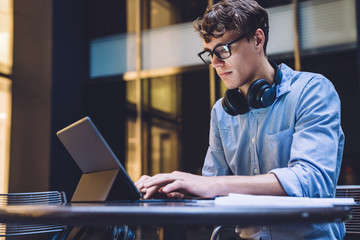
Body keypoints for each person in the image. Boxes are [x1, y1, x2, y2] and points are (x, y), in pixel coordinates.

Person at [135, 0, 345, 239]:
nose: (215, 63)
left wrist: (207, 185)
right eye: (210, 54)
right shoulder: (221, 112)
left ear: (257, 39)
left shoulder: (312, 91)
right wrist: (175, 189)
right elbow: (211, 187)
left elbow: (310, 179)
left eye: (223, 50)